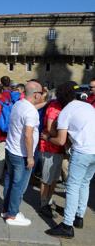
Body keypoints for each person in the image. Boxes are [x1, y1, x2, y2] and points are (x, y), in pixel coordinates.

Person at [43, 82, 95, 239]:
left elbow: (60, 140)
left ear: (61, 96)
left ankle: (67, 225)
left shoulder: (66, 111)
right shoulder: (88, 106)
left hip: (82, 152)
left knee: (72, 187)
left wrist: (47, 137)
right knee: (85, 184)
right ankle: (79, 217)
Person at [2, 80, 43, 226]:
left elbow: (31, 110)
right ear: (37, 95)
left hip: (11, 150)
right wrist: (31, 157)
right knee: (19, 186)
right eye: (41, 94)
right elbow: (28, 135)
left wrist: (47, 102)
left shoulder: (19, 104)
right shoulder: (31, 112)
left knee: (10, 181)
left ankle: (7, 210)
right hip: (22, 154)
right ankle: (12, 215)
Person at [38, 99, 64, 218]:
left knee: (54, 179)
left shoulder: (63, 105)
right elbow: (49, 127)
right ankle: (44, 204)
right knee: (47, 178)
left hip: (58, 147)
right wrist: (61, 139)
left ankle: (49, 200)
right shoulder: (54, 106)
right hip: (50, 147)